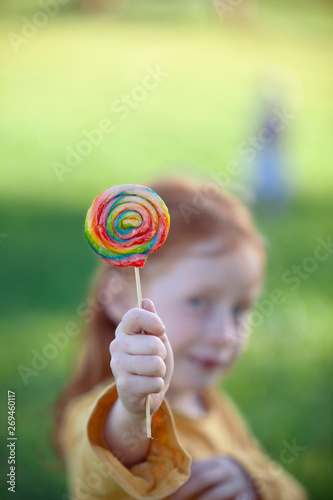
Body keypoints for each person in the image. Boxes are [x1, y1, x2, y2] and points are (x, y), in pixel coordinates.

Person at [54, 176, 308, 500]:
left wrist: (255, 481)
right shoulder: (95, 414)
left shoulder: (214, 406)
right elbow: (108, 467)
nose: (225, 335)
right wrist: (132, 410)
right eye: (198, 301)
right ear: (119, 297)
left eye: (239, 309)